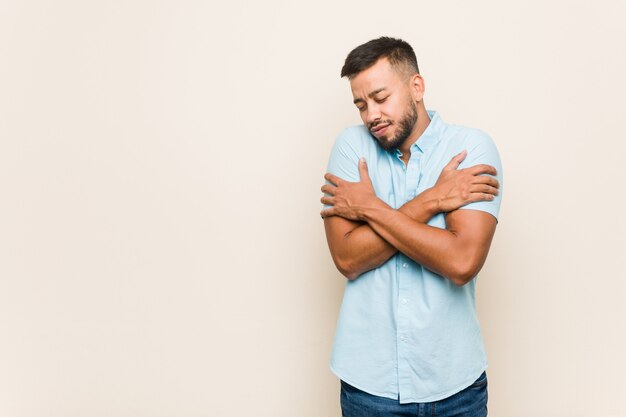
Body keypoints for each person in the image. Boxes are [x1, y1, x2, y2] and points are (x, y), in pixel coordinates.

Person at [320, 37, 503, 417]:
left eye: (381, 97)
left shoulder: (469, 150)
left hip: (456, 388)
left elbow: (461, 261)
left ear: (416, 87)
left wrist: (370, 209)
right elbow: (348, 258)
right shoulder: (352, 149)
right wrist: (434, 200)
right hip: (369, 386)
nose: (371, 114)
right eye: (360, 104)